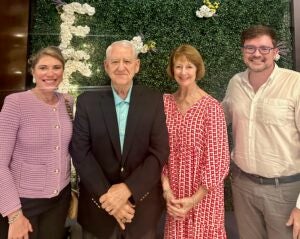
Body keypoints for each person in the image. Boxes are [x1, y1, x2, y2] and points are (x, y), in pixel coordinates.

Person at [70, 40, 169, 239]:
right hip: (97, 208)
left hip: (141, 210)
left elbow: (159, 152)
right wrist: (110, 198)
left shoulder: (154, 100)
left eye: (127, 61)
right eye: (115, 62)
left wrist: (128, 189)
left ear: (137, 65)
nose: (121, 67)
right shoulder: (87, 102)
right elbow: (80, 152)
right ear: (106, 66)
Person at [222, 24, 300, 239]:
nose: (257, 54)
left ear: (275, 52)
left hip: (285, 191)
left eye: (264, 48)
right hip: (242, 185)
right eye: (250, 48)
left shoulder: (296, 84)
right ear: (243, 52)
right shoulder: (235, 83)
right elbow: (219, 119)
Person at [0, 46, 73, 239]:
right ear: (33, 72)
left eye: (56, 67)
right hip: (23, 202)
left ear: (63, 72)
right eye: (43, 68)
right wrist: (14, 213)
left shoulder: (67, 102)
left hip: (60, 200)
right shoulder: (16, 103)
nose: (50, 73)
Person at [162, 44, 230, 238]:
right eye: (178, 66)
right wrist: (167, 192)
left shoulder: (211, 107)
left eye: (189, 66)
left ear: (197, 69)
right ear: (172, 69)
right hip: (174, 196)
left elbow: (218, 162)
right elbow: (157, 150)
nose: (183, 72)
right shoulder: (164, 103)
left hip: (204, 198)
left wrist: (194, 199)